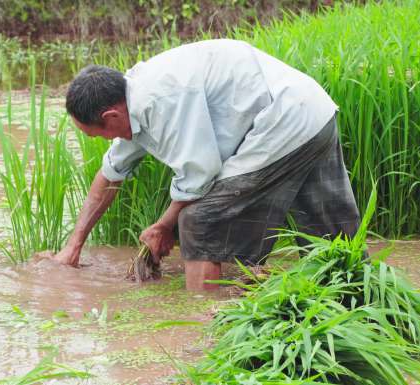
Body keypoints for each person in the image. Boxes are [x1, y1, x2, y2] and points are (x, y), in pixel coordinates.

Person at [46, 39, 361, 291]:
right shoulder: (135, 98)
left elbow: (200, 175)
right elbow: (108, 177)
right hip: (314, 112)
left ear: (110, 117)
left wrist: (162, 227)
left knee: (199, 221)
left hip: (282, 121)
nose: (104, 141)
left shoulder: (161, 101)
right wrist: (72, 248)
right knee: (333, 239)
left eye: (97, 135)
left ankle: (201, 327)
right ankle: (359, 302)